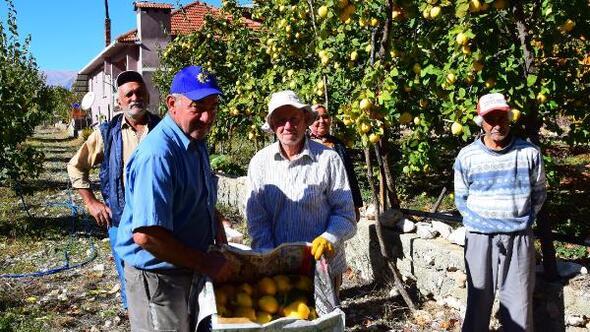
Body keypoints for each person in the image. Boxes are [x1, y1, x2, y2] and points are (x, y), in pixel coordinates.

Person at [115, 65, 231, 331]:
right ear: (172, 104)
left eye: (213, 108)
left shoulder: (195, 141)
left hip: (186, 267)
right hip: (158, 279)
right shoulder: (158, 154)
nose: (207, 117)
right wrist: (205, 263)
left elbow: (198, 197)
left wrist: (217, 231)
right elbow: (146, 235)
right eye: (198, 107)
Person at [67, 70, 160, 309]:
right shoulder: (106, 134)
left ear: (148, 96)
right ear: (119, 101)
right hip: (122, 223)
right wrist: (91, 202)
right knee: (132, 286)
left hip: (162, 224)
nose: (134, 97)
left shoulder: (163, 130)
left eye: (139, 92)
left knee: (163, 288)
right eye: (128, 94)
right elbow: (76, 167)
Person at [245, 90, 357, 290]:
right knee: (283, 319)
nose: (288, 126)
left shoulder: (328, 158)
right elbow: (257, 218)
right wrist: (269, 257)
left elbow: (346, 214)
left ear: (305, 120)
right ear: (272, 126)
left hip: (323, 266)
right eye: (280, 120)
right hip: (278, 268)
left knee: (324, 319)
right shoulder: (260, 163)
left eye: (294, 119)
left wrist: (328, 238)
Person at [454, 93, 547, 332]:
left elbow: (539, 194)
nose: (497, 124)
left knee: (519, 306)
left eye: (501, 118)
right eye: (490, 119)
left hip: (518, 237)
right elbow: (461, 198)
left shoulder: (529, 153)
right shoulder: (467, 156)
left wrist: (519, 219)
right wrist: (481, 222)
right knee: (478, 302)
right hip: (480, 238)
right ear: (481, 122)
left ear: (509, 118)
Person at [308, 104, 363, 221]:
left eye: (325, 117)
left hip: (337, 202)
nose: (322, 121)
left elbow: (349, 174)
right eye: (317, 118)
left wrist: (355, 205)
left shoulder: (337, 144)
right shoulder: (303, 145)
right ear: (309, 121)